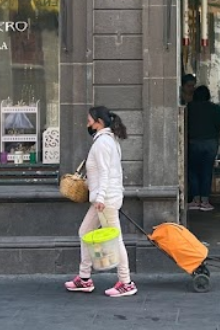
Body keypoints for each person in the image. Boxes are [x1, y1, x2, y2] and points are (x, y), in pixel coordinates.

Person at [65, 106, 137, 297]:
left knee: (116, 240)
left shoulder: (102, 143)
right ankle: (84, 278)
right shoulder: (107, 140)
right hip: (104, 198)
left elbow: (105, 172)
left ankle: (126, 282)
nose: (87, 123)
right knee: (85, 232)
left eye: (89, 119)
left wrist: (101, 197)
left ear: (99, 122)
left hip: (105, 201)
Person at [186, 85, 220, 212]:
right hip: (210, 143)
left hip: (194, 142)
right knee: (207, 171)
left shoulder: (189, 108)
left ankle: (195, 199)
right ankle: (205, 201)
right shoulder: (213, 108)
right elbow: (218, 125)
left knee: (193, 171)